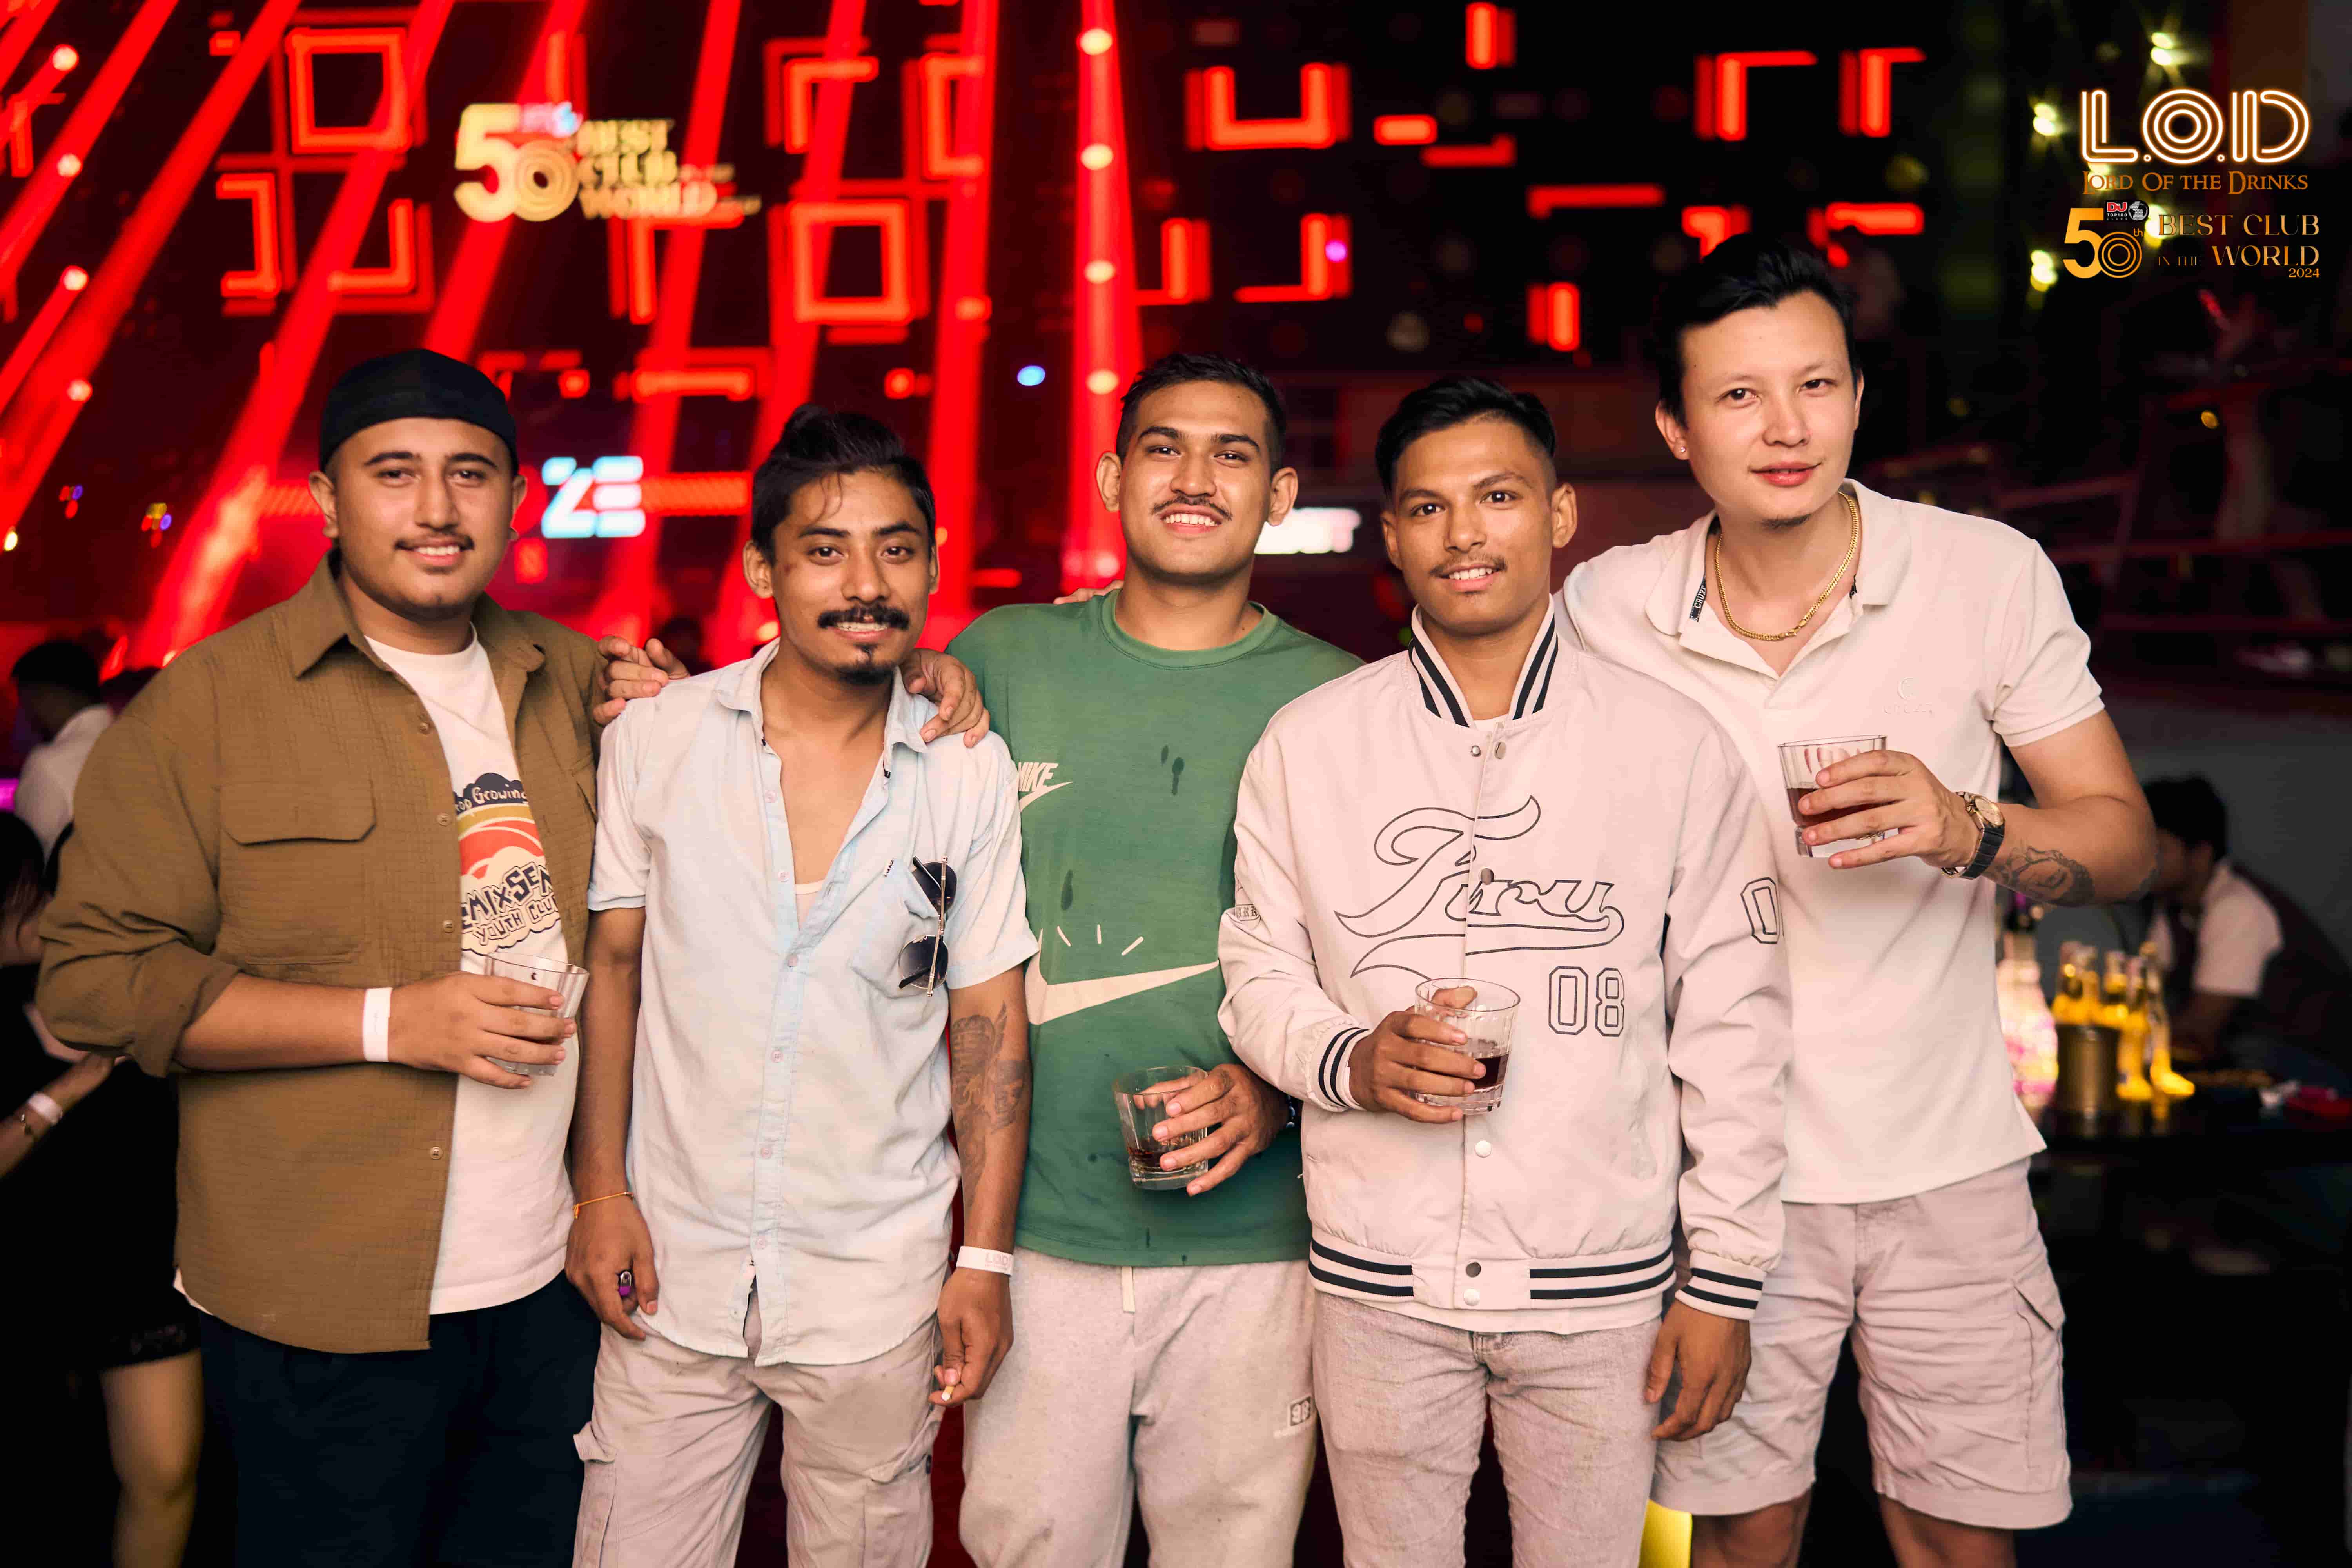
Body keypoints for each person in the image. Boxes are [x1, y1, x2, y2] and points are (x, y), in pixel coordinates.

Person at [1561, 236, 2156, 1567]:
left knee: (1962, 1545)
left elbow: (2125, 846)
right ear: (1675, 427)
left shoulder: (1983, 573)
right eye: (1739, 395)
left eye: (1816, 385)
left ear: (1857, 396)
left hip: (1947, 1167)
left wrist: (1965, 825)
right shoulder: (1609, 606)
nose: (1788, 428)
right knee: (1733, 1541)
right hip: (1710, 1188)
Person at [40, 348, 614, 1567]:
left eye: (470, 473)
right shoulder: (207, 704)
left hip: (550, 1285)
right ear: (328, 497)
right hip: (318, 1298)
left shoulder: (578, 676)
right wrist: (389, 1021)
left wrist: (935, 676)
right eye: (394, 472)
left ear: (517, 499)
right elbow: (90, 980)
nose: (437, 507)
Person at [1218, 377, 1792, 1567]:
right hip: (1377, 1282)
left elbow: (1735, 1027)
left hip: (1603, 1289)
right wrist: (1351, 1058)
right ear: (1391, 535)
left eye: (1498, 497)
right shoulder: (1309, 743)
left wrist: (1725, 1283)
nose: (1463, 534)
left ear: (1560, 513)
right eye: (1428, 508)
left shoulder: (1671, 743)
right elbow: (1257, 970)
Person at [564, 405, 1038, 1566]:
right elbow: (613, 970)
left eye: (895, 548)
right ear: (761, 569)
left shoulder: (966, 766)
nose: (865, 582)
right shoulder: (658, 738)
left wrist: (982, 1258)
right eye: (824, 550)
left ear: (931, 566)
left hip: (872, 1281)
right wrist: (597, 1189)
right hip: (669, 1265)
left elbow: (987, 1015)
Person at [946, 354, 1358, 1566]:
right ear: (1110, 477)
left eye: (1233, 453)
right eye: (1163, 447)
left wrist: (1281, 1096)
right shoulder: (1003, 658)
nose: (1193, 477)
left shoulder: (1341, 701)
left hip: (1260, 1245)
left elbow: (1384, 967)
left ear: (1279, 494)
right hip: (1032, 1235)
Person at [4, 816, 202, 1567]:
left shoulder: (173, 998)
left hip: (138, 1277)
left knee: (165, 1475)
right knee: (43, 1493)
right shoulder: (11, 1007)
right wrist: (67, 1089)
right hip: (26, 1288)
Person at [2141, 775, 2352, 1085]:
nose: (2145, 861)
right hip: (2262, 1057)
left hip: (2317, 1065)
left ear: (2200, 855)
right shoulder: (2171, 908)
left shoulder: (2237, 907)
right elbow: (2145, 993)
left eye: (2158, 849)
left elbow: (2199, 1030)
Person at [11, 637, 111, 854]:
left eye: (24, 703)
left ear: (41, 696)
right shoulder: (142, 741)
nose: (25, 716)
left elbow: (29, 862)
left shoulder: (49, 765)